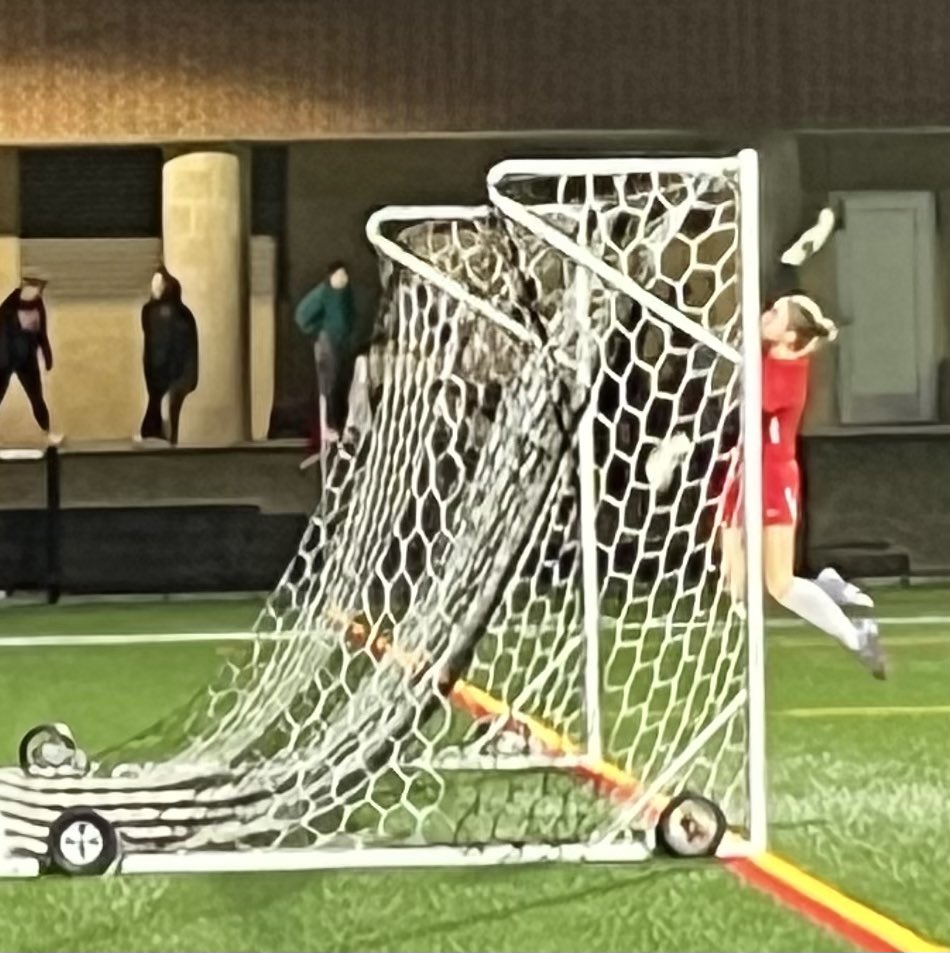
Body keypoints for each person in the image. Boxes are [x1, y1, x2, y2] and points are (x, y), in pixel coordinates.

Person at [720, 293, 886, 679]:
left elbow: (755, 400)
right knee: (735, 582)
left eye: (775, 313)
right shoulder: (766, 358)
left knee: (779, 584)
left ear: (790, 335)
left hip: (774, 478)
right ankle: (826, 587)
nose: (765, 314)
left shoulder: (789, 374)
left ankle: (856, 636)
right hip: (744, 471)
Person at [294, 260, 356, 468]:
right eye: (340, 276)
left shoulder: (346, 294)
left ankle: (337, 431)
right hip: (327, 343)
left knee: (339, 384)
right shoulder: (323, 293)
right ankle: (325, 429)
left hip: (341, 345)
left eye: (345, 276)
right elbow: (302, 315)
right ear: (331, 277)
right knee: (327, 386)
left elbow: (349, 318)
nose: (343, 280)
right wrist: (318, 332)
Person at [138, 266, 198, 445]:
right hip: (172, 371)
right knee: (165, 408)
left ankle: (159, 433)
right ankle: (164, 435)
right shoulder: (180, 313)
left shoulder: (156, 312)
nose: (154, 288)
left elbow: (160, 346)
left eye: (158, 284)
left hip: (163, 371)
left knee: (161, 407)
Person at [0, 278, 60, 444]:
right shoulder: (8, 308)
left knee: (36, 396)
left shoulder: (38, 306)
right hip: (5, 360)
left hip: (27, 360)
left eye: (39, 289)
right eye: (36, 288)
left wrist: (47, 356)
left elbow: (42, 333)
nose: (38, 292)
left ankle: (47, 432)